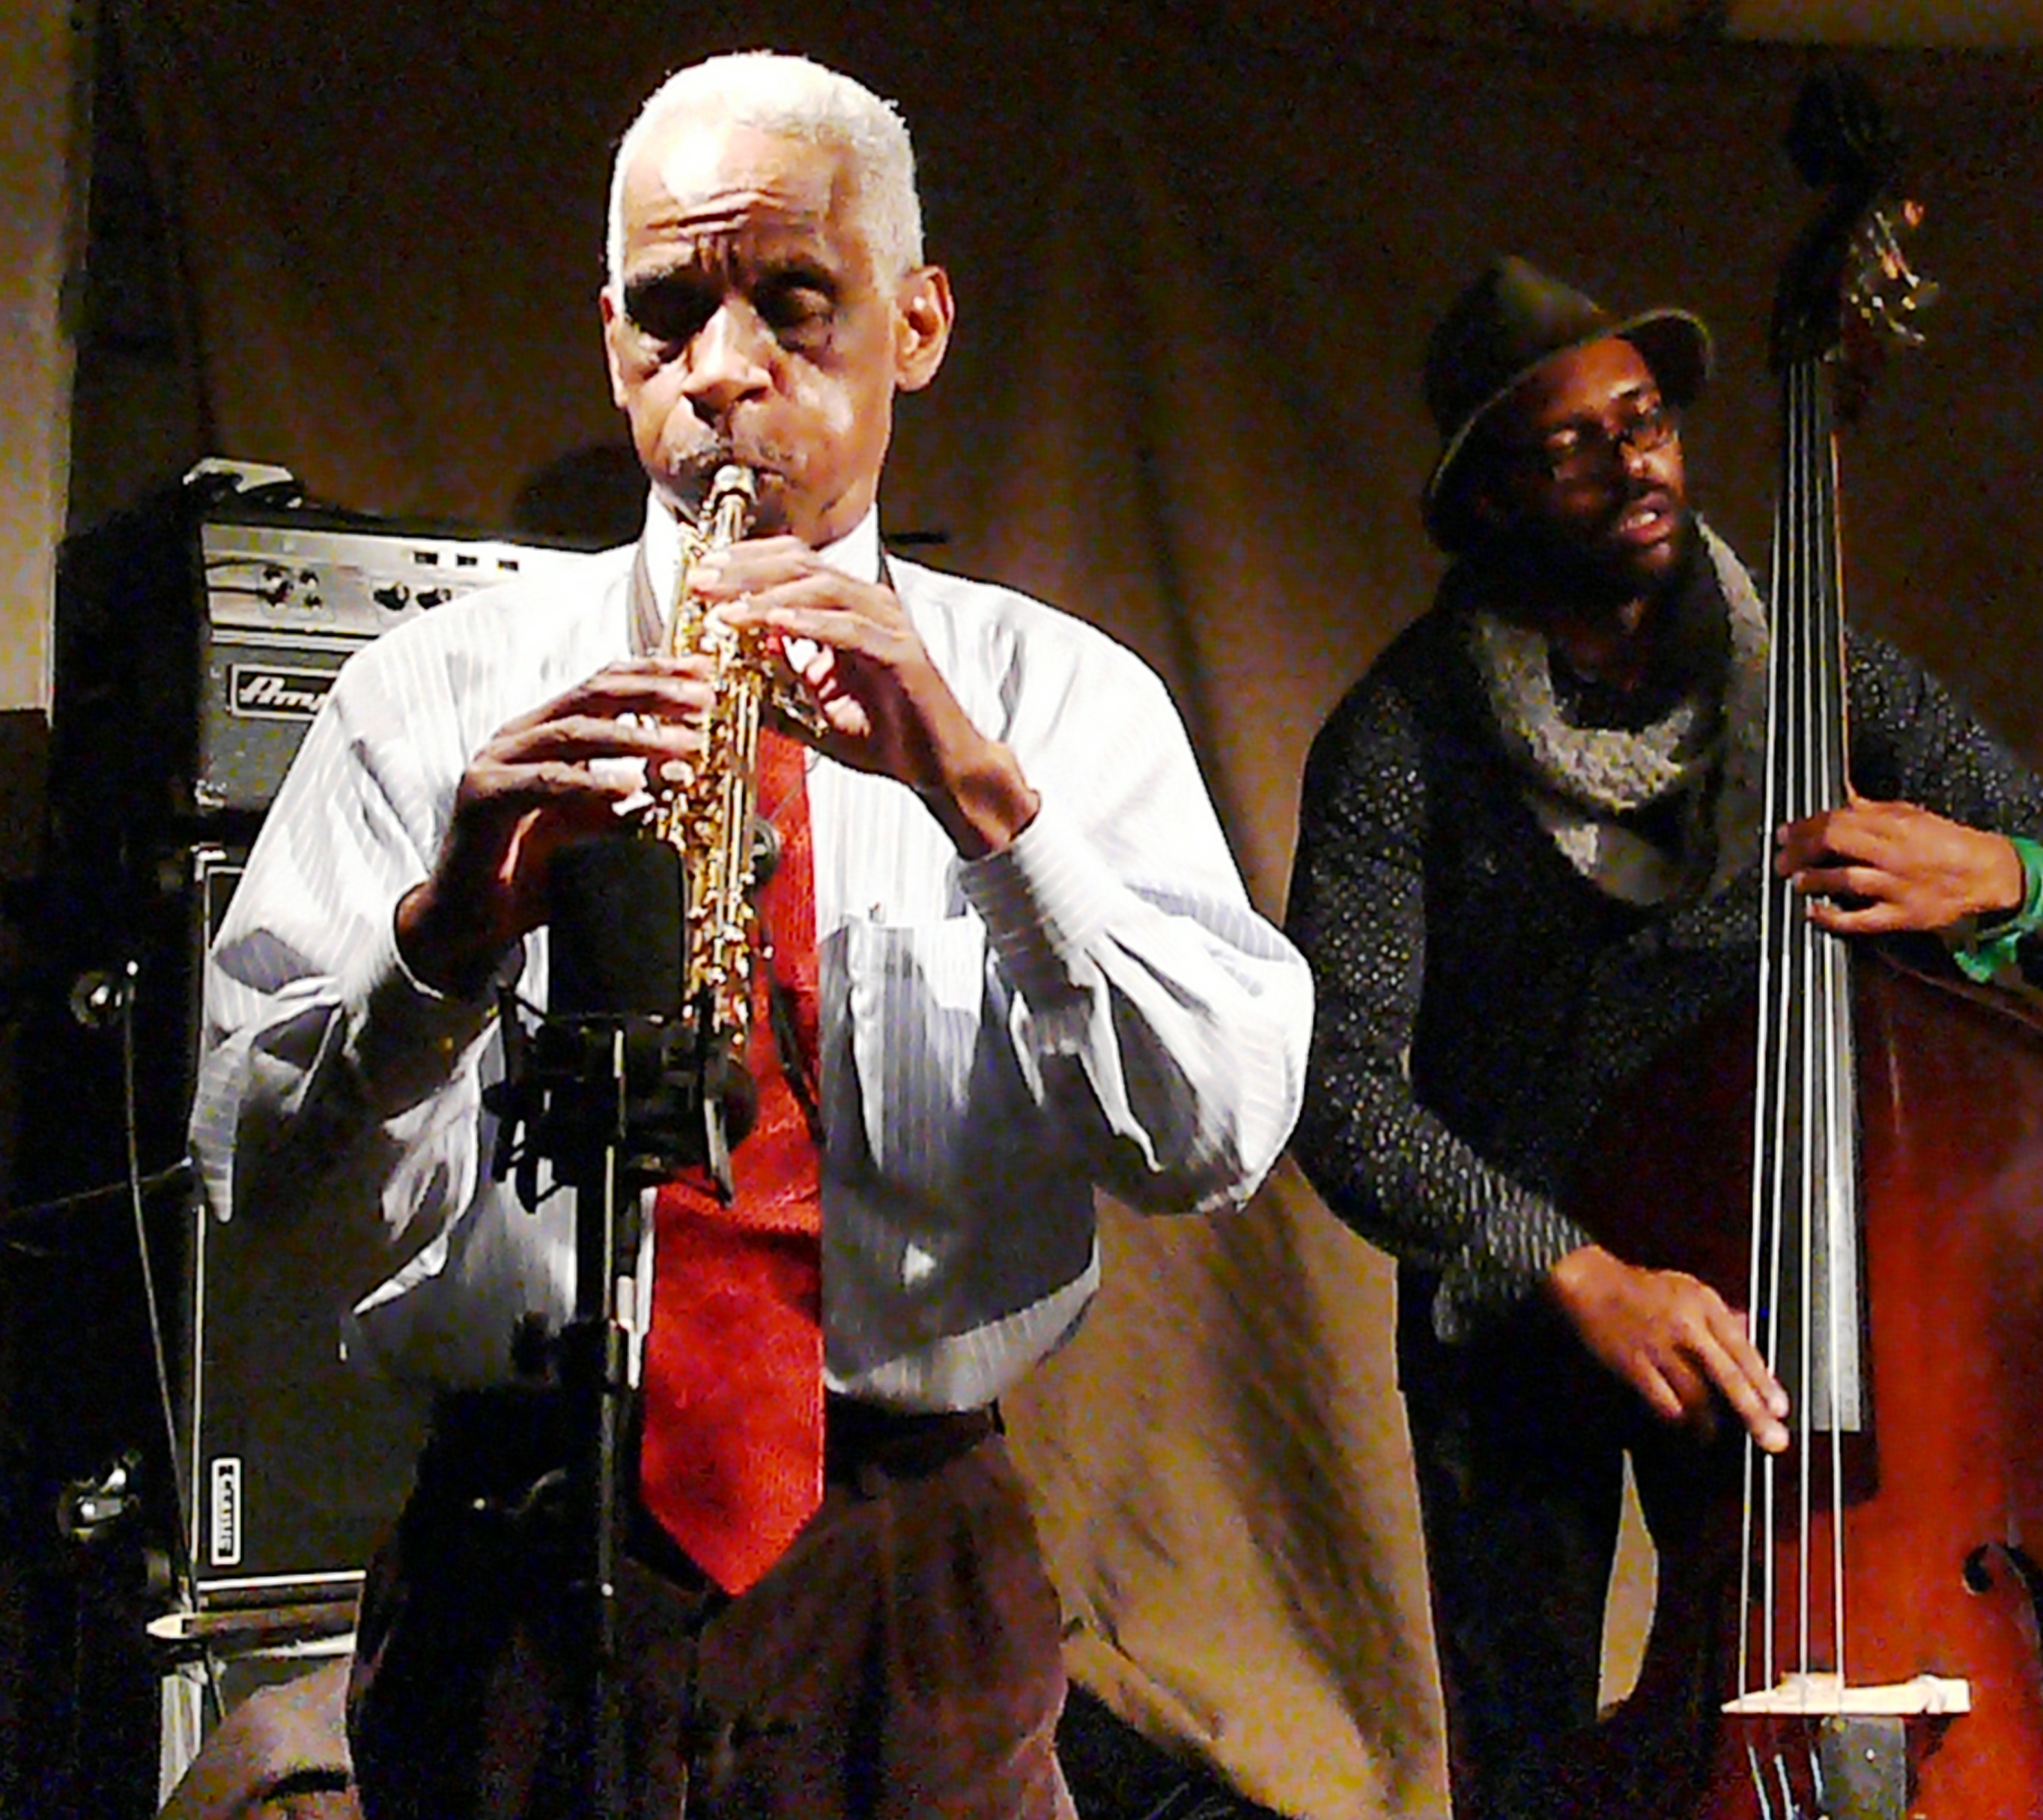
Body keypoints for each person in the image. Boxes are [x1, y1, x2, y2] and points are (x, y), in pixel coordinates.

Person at [189, 50, 1311, 1820]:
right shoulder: (432, 697)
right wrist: (446, 933)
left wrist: (986, 805)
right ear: (612, 339)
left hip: (905, 1561)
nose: (722, 376)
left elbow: (1214, 1136)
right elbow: (246, 1171)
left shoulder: (1059, 702)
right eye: (668, 313)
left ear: (917, 323)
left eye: (794, 304)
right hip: (516, 1558)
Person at [1284, 256, 2043, 1817]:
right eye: (1573, 443)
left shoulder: (1811, 673)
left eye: (1645, 420)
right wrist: (1577, 1271)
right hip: (1525, 1329)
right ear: (1486, 497)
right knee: (1534, 1774)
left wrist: (2013, 876)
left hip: (1789, 1302)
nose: (1637, 462)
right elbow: (1336, 1093)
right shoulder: (1400, 736)